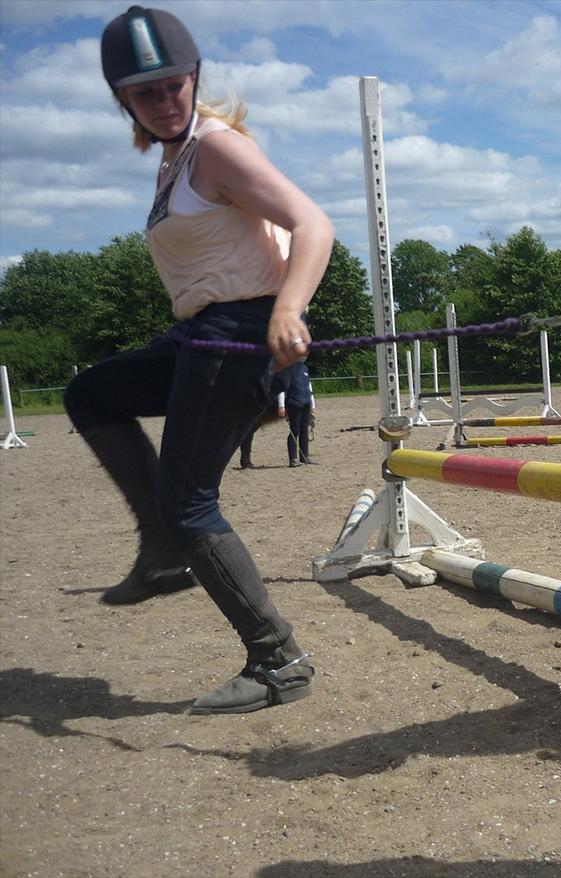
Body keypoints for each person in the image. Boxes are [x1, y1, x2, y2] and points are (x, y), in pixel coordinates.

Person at [64, 6, 333, 714]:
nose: (163, 101)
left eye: (172, 85)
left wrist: (289, 309)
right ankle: (161, 548)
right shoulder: (174, 160)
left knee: (191, 503)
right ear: (122, 100)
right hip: (200, 332)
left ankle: (278, 661)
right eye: (144, 92)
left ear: (194, 78)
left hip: (241, 331)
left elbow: (313, 223)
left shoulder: (216, 149)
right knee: (91, 394)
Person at [281, 361, 316, 466]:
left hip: (306, 403)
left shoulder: (304, 368)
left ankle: (305, 457)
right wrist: (281, 406)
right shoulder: (287, 369)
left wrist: (312, 404)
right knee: (294, 431)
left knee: (304, 430)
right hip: (294, 403)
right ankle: (293, 459)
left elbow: (309, 387)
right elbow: (282, 388)